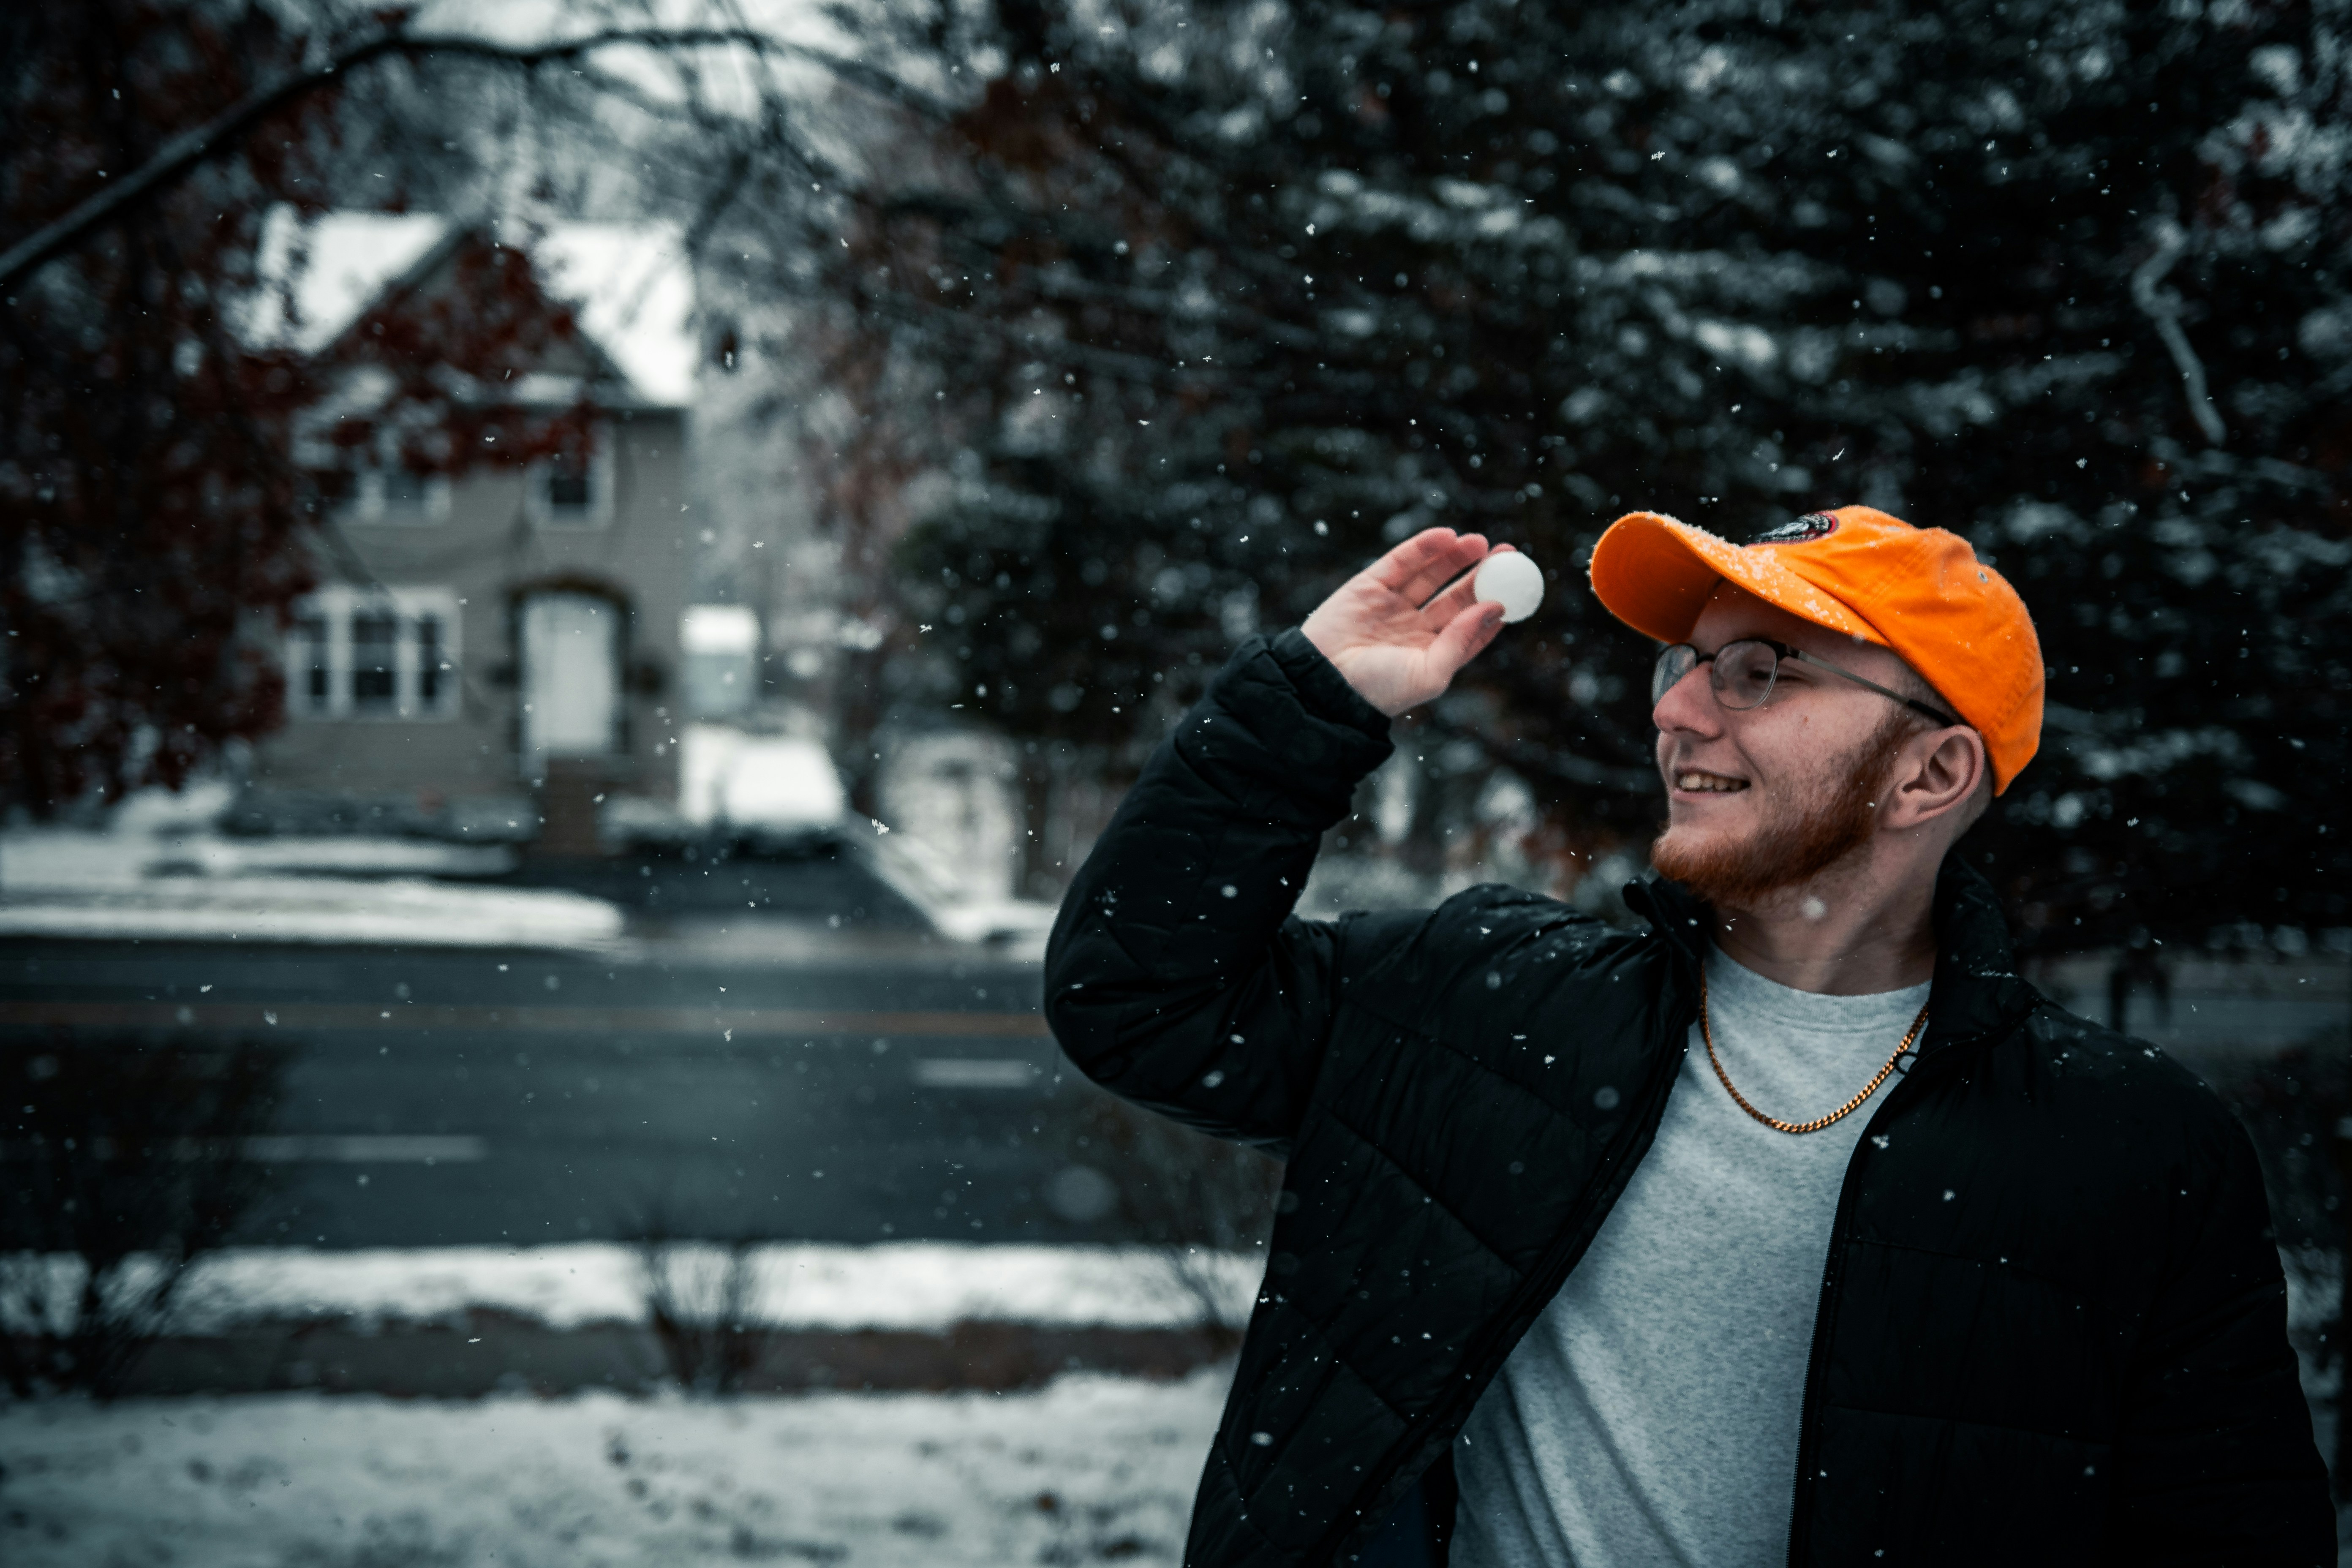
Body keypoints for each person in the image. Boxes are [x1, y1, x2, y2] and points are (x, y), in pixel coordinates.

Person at [1043, 505, 2331, 1566]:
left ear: (1930, 775)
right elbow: (1142, 1000)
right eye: (1683, 665)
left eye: (1759, 670)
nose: (1677, 712)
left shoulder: (2129, 1150)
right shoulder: (1486, 999)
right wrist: (1309, 705)